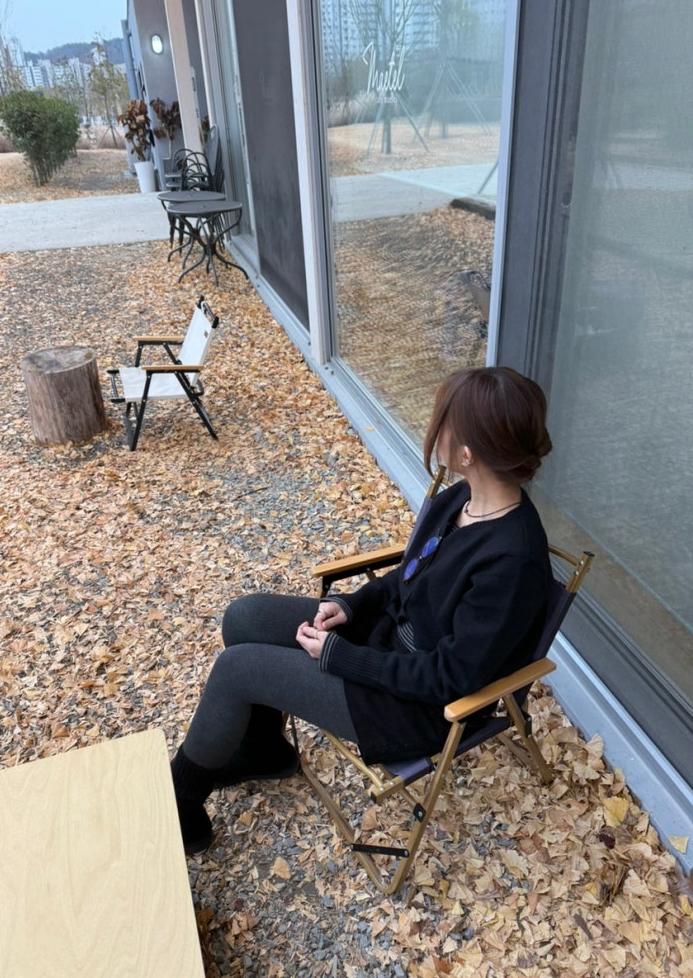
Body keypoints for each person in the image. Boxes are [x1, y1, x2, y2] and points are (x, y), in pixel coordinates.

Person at [171, 366, 554, 855]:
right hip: (386, 644)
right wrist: (351, 606)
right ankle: (264, 751)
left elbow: (451, 678)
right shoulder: (462, 499)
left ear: (467, 453)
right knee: (244, 617)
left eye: (442, 421)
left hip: (412, 706)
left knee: (236, 670)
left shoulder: (512, 560)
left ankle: (180, 806)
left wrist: (341, 658)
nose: (432, 428)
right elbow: (411, 575)